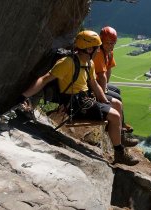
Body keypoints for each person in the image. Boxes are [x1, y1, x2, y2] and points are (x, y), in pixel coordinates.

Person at [20, 30, 138, 166]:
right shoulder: (67, 63)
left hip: (85, 98)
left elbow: (94, 84)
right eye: (96, 48)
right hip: (74, 103)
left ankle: (119, 138)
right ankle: (119, 152)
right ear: (89, 49)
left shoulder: (89, 63)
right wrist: (24, 96)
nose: (98, 51)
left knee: (116, 103)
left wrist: (104, 100)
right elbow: (45, 79)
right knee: (115, 116)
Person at [93, 26, 134, 133]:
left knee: (117, 90)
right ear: (101, 42)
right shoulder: (98, 53)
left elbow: (109, 70)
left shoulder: (109, 53)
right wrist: (102, 96)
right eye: (108, 43)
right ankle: (119, 130)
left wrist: (106, 86)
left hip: (99, 82)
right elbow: (102, 75)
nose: (111, 46)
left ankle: (122, 122)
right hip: (94, 84)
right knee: (117, 98)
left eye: (113, 43)